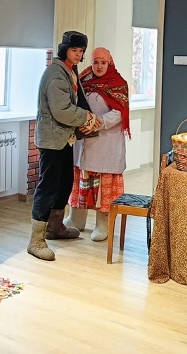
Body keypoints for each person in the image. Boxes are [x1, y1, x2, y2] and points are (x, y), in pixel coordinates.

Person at [28, 31, 104, 261]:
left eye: (81, 51)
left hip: (63, 138)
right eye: (74, 50)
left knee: (65, 183)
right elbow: (61, 110)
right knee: (48, 186)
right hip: (53, 140)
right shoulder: (56, 74)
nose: (78, 54)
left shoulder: (69, 70)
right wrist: (87, 118)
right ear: (65, 50)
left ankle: (55, 227)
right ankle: (36, 240)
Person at [64, 47, 130, 241]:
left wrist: (98, 122)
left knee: (102, 185)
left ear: (109, 63)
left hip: (106, 142)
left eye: (103, 63)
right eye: (95, 62)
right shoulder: (83, 80)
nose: (99, 66)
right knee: (81, 181)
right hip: (84, 140)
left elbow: (120, 112)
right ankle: (76, 219)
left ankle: (103, 224)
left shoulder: (118, 83)